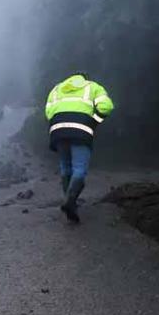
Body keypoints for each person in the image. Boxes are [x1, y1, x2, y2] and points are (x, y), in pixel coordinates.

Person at [45, 72, 114, 222]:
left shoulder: (56, 89)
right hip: (81, 131)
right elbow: (106, 107)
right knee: (79, 169)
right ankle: (70, 202)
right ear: (84, 79)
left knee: (65, 167)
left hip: (58, 130)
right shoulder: (93, 87)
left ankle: (70, 202)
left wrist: (60, 124)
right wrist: (94, 121)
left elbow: (48, 112)